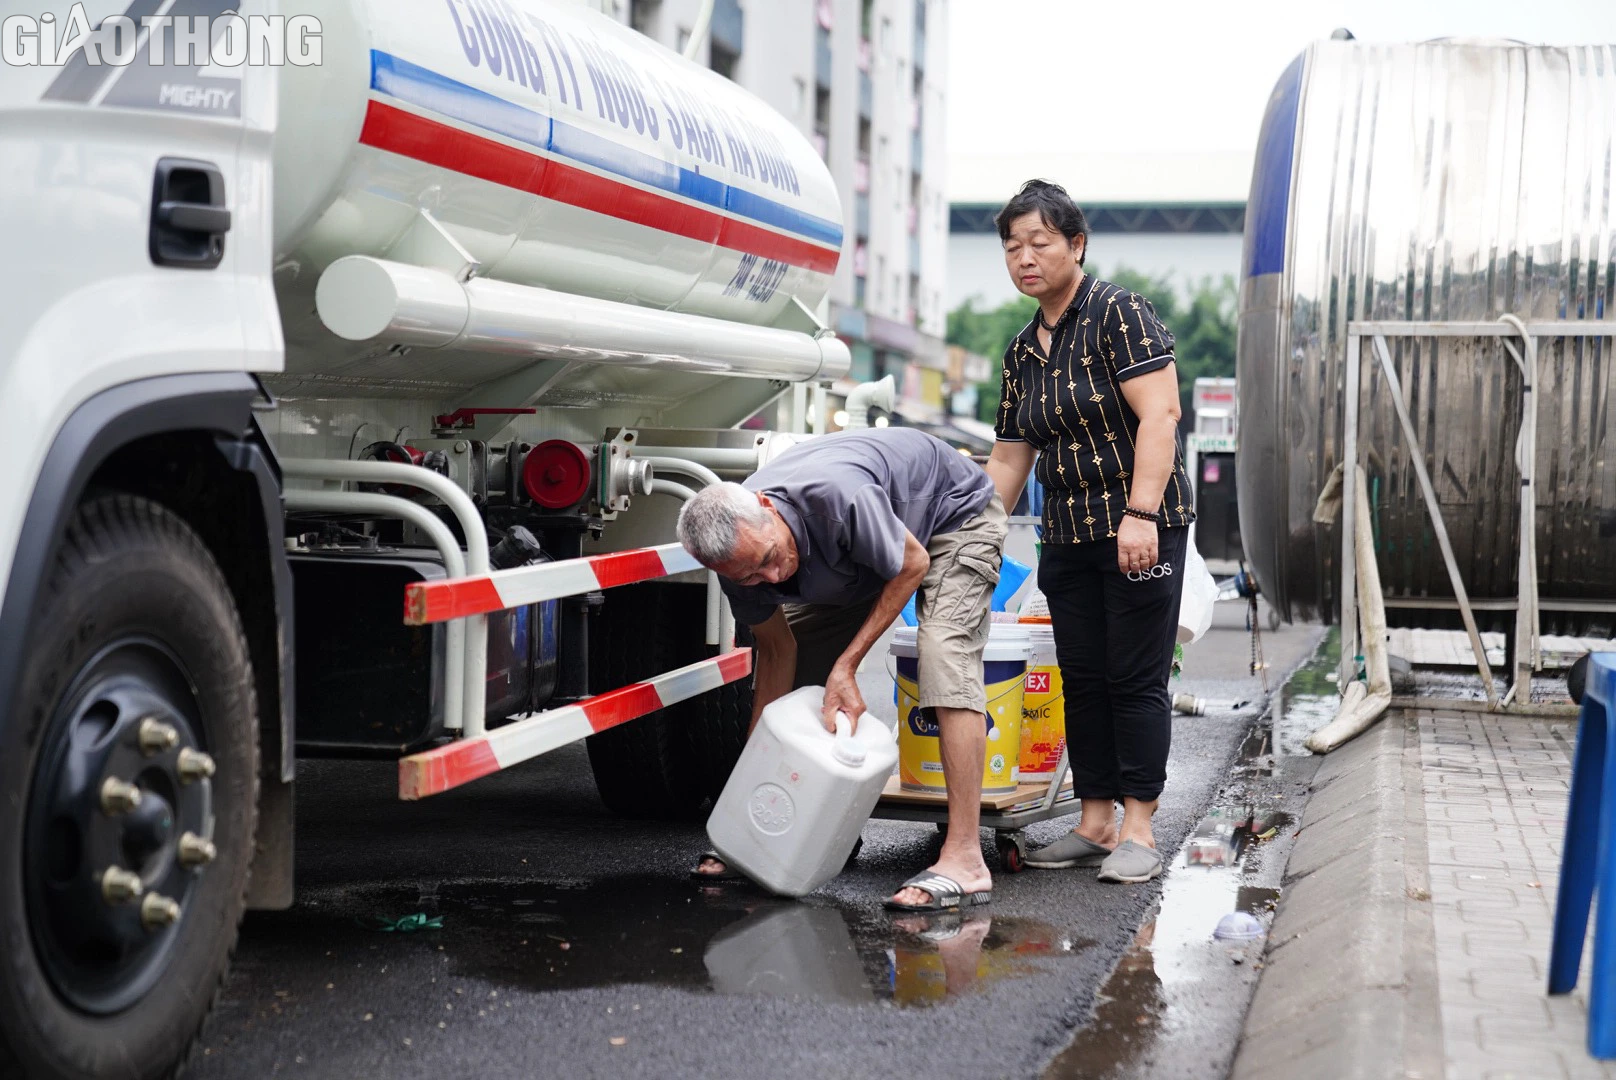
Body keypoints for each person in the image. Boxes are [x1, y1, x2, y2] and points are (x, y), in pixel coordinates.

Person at [676, 427, 1007, 912]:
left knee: (941, 654)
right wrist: (743, 813)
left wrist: (848, 665)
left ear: (767, 507)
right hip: (864, 551)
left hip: (952, 518)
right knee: (807, 674)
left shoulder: (837, 498)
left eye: (769, 559)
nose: (771, 579)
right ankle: (813, 833)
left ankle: (964, 857)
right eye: (750, 576)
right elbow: (777, 657)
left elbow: (910, 563)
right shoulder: (740, 562)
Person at [981, 179, 1194, 884]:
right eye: (1013, 246)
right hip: (1068, 533)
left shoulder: (1119, 315)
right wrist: (975, 533)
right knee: (1084, 678)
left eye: (1039, 242)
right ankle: (1095, 819)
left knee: (1134, 678)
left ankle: (1139, 827)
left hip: (1139, 523)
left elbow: (1160, 416)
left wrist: (1140, 515)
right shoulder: (1022, 350)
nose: (1025, 258)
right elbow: (1011, 454)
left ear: (1076, 244)